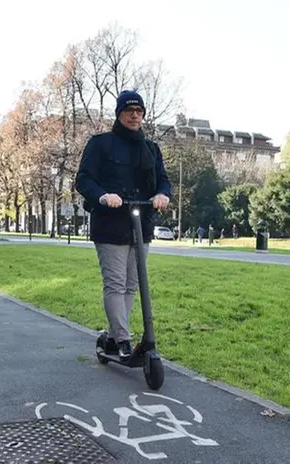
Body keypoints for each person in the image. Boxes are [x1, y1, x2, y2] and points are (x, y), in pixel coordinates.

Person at [75, 90, 172, 361]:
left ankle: (115, 336)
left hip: (141, 224)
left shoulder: (151, 149)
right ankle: (123, 340)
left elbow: (164, 180)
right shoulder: (101, 144)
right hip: (111, 223)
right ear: (119, 113)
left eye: (139, 111)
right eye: (129, 111)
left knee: (132, 285)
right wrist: (103, 195)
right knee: (116, 284)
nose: (134, 115)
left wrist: (163, 194)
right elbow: (84, 179)